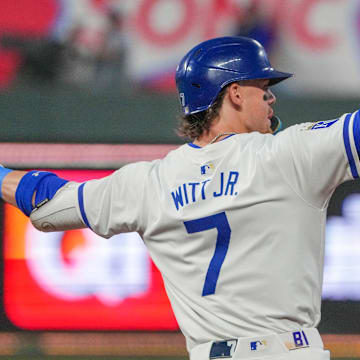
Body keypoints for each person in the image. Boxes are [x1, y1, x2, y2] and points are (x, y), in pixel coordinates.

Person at [0, 36, 354, 360]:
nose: (271, 97)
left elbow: (44, 199)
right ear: (234, 93)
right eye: (263, 88)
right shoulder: (286, 155)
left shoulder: (148, 183)